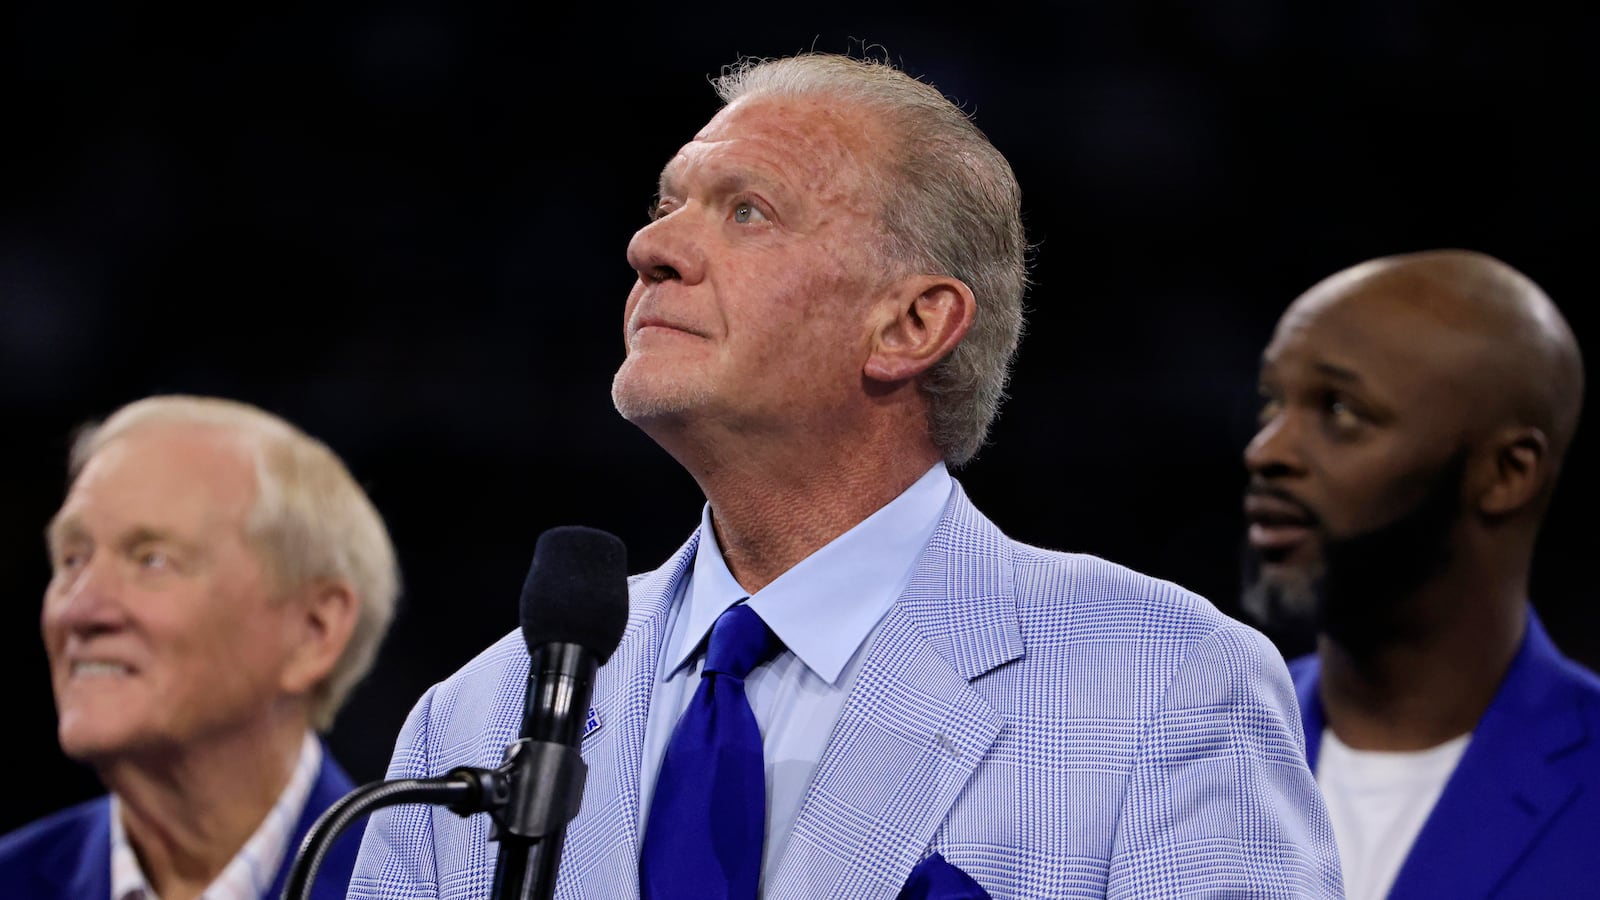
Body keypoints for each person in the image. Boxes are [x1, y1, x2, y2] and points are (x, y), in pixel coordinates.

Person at [352, 52, 1340, 899]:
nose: (649, 248)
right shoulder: (476, 712)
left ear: (909, 326)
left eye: (745, 212)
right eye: (665, 207)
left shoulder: (1161, 683)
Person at [1241, 249, 1600, 900]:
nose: (1267, 451)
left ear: (1506, 472)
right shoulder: (1184, 742)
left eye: (1341, 410)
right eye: (1273, 403)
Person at [0, 395, 401, 900]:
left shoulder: (414, 887)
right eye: (73, 559)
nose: (79, 611)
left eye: (152, 560)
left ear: (313, 630)